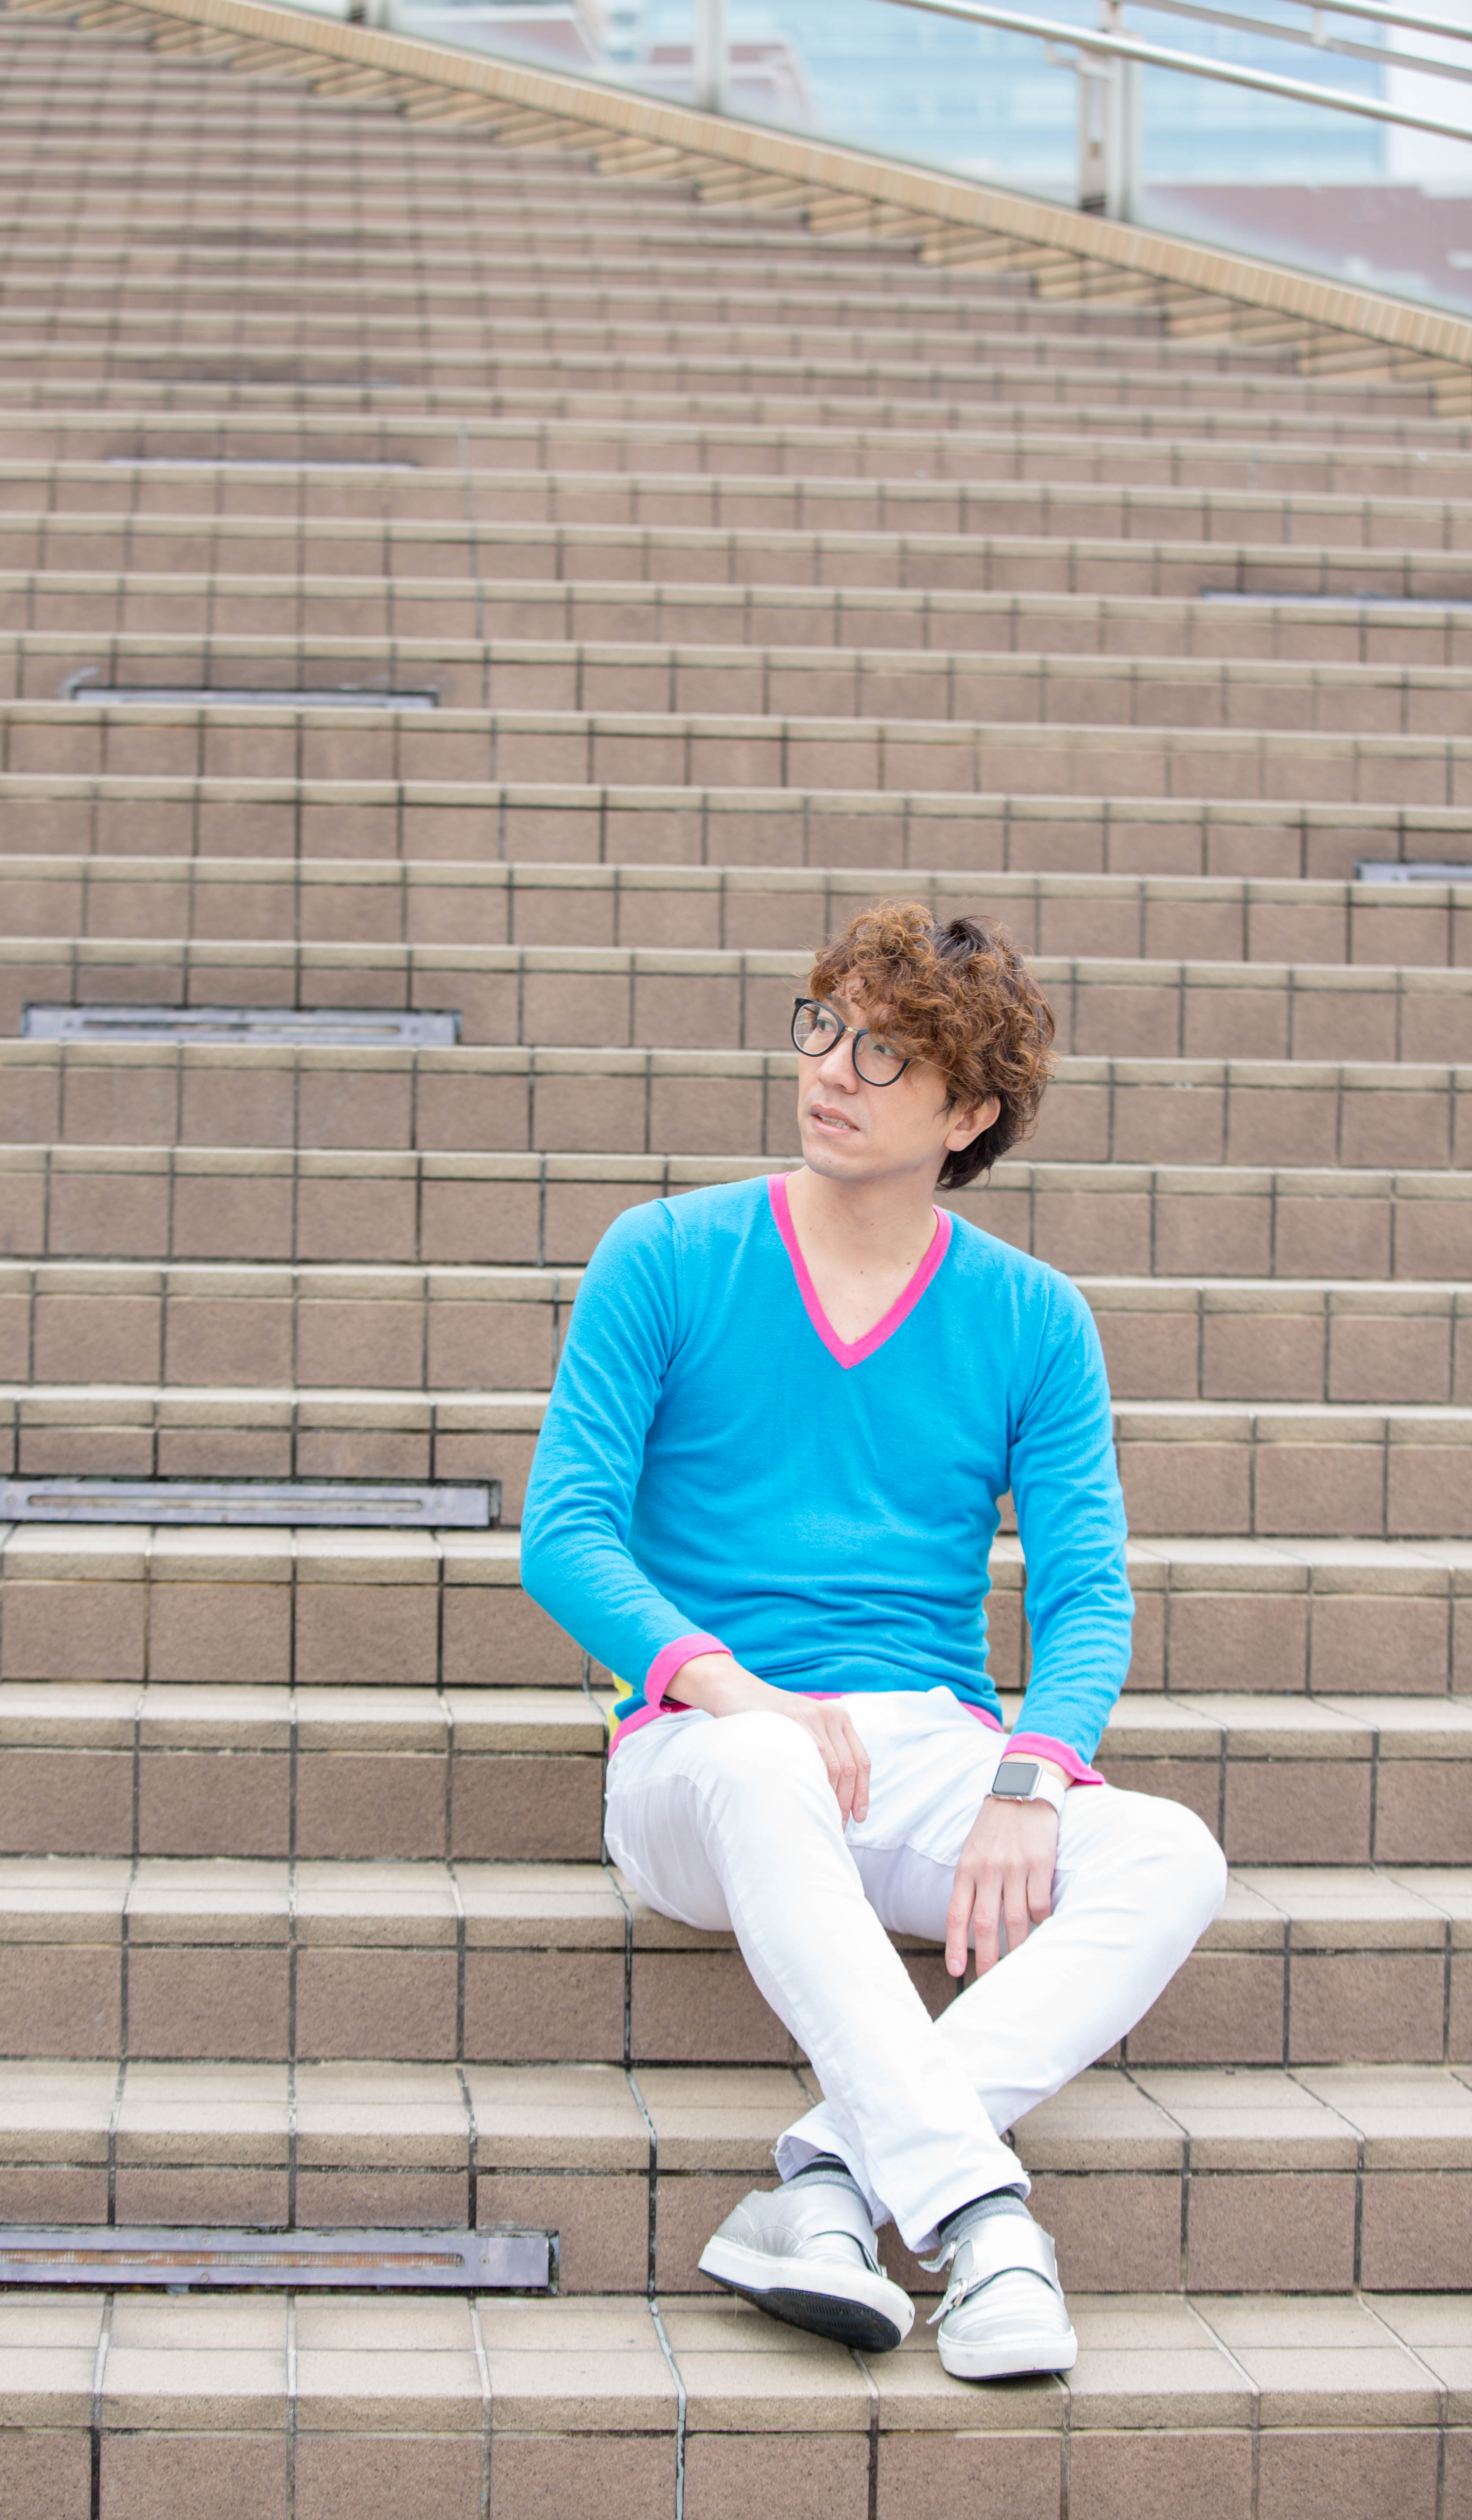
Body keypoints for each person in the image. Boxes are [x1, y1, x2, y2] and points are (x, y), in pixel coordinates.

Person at [519, 901, 1227, 2380]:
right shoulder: (666, 1255)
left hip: (923, 1751)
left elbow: (1088, 1597)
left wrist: (1032, 1775)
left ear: (969, 1116)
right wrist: (740, 1695)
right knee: (766, 1767)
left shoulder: (1033, 1319)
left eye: (887, 1055)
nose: (833, 1069)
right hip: (704, 1755)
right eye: (825, 1028)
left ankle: (831, 2181)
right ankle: (983, 2224)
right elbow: (564, 1535)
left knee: (1168, 1853)